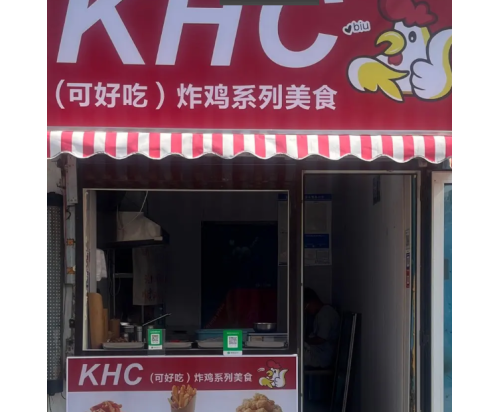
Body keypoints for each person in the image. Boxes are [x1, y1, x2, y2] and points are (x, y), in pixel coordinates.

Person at [303, 287, 340, 369]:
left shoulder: (325, 314)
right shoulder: (323, 312)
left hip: (323, 356)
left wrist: (306, 341)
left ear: (312, 302)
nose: (307, 311)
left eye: (306, 307)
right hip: (320, 351)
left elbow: (321, 339)